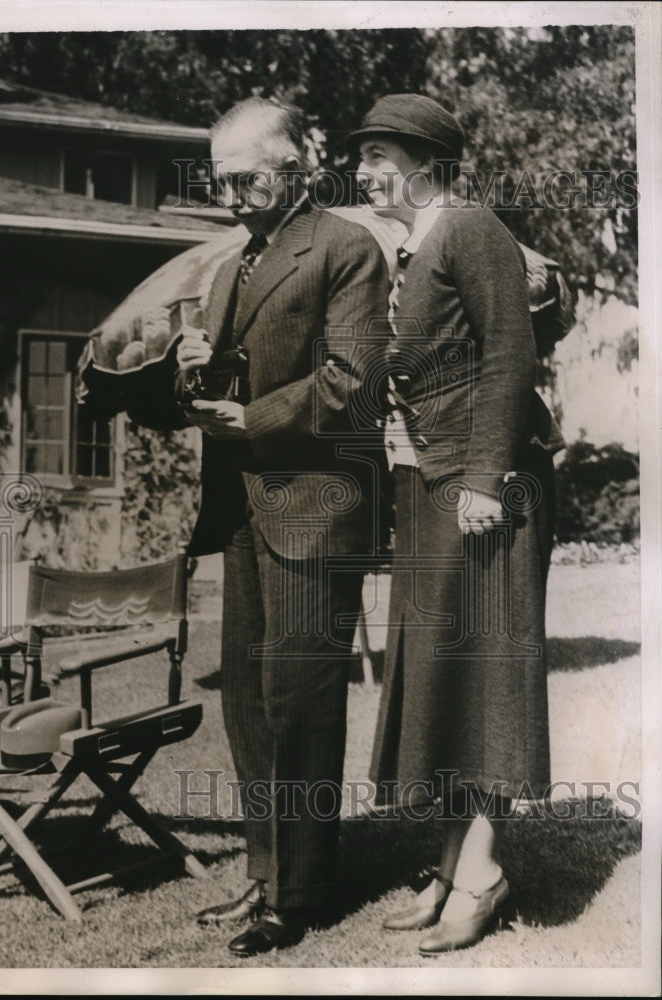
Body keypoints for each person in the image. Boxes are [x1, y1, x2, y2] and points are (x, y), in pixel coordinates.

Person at [176, 97, 391, 957]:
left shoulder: (344, 248)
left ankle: (300, 894)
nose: (230, 194)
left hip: (313, 507)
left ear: (296, 160)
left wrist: (250, 419)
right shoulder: (234, 264)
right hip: (241, 507)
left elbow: (351, 386)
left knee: (300, 703)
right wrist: (190, 372)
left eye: (245, 177)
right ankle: (264, 874)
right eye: (219, 180)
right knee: (249, 705)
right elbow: (224, 379)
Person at [350, 93, 564, 954]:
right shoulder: (414, 242)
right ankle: (451, 862)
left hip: (487, 494)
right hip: (432, 486)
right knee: (446, 674)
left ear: (426, 164)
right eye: (359, 156)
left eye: (378, 156)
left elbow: (511, 351)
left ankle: (482, 870)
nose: (363, 171)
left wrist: (482, 479)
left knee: (484, 675)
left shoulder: (470, 228)